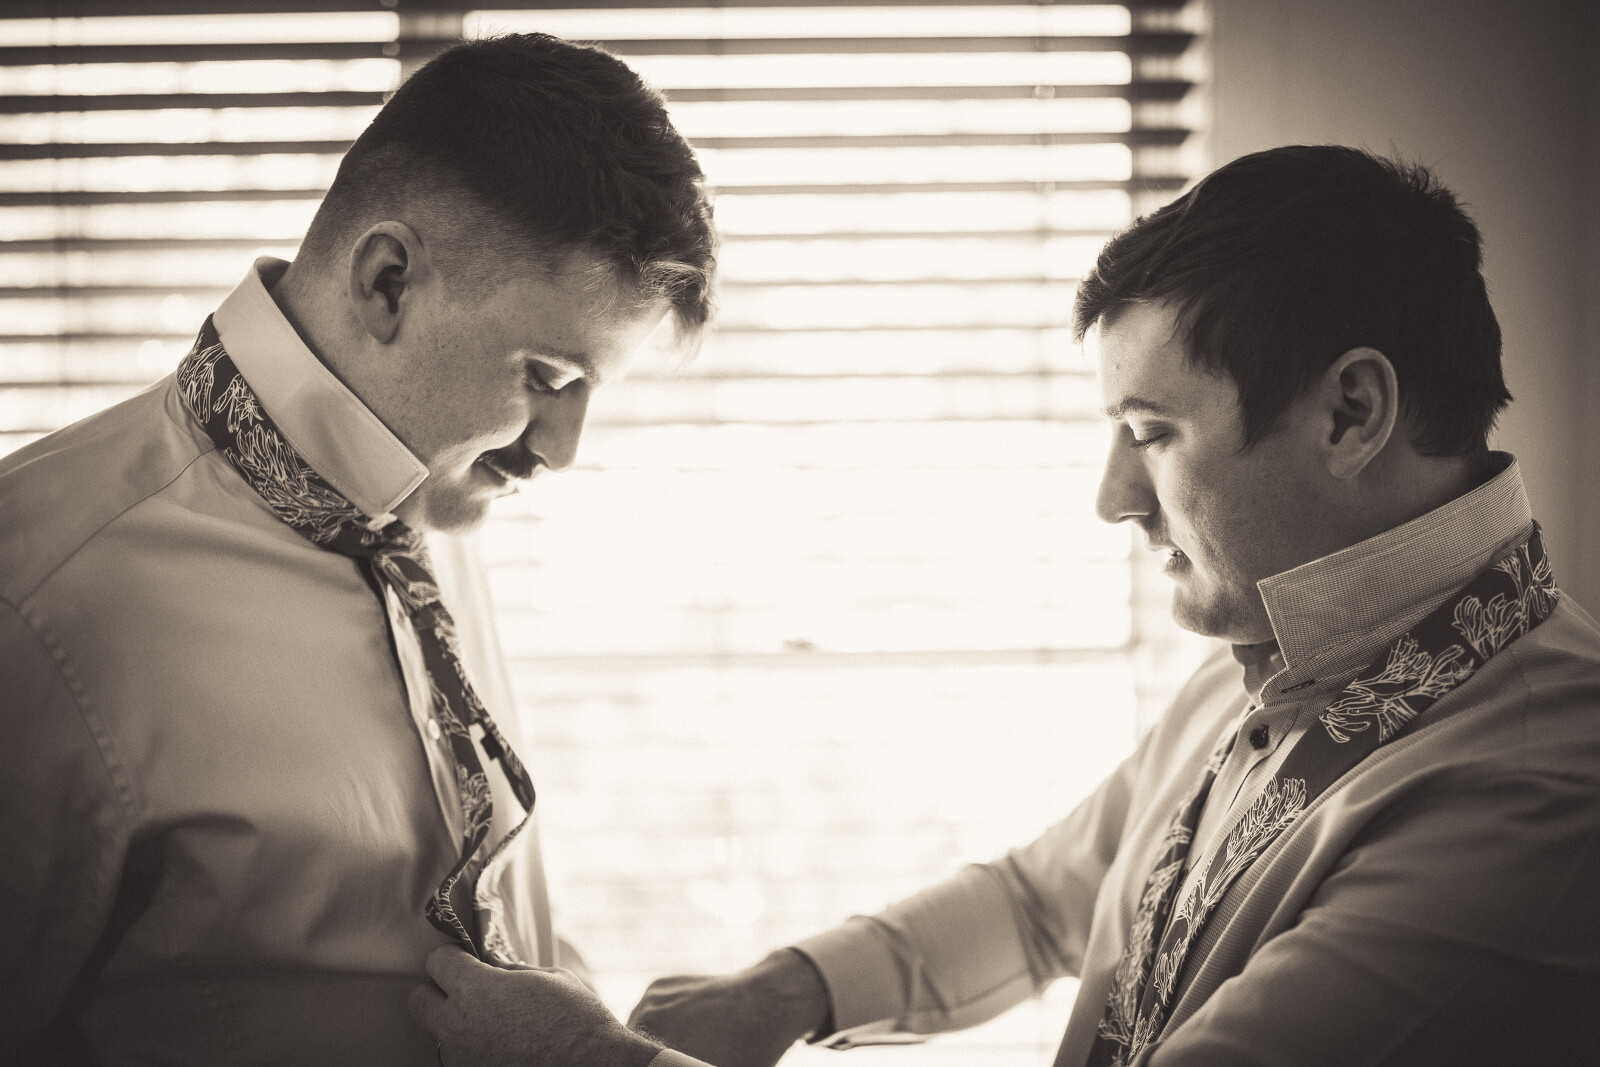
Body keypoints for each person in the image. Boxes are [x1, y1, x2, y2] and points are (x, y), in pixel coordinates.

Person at [409, 145, 1600, 1067]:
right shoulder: (1269, 654)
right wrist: (788, 988)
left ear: (1350, 413)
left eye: (1151, 433)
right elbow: (1042, 901)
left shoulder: (1535, 796)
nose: (1112, 497)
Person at [0, 33, 714, 1065]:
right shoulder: (40, 598)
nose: (561, 449)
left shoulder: (431, 493)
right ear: (387, 281)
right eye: (548, 377)